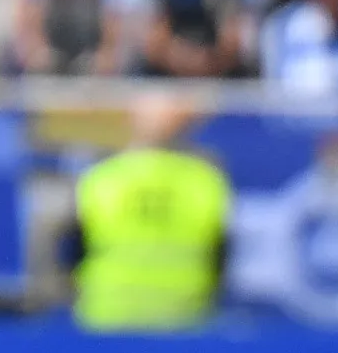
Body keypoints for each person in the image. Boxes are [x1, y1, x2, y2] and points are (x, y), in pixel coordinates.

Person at [68, 93, 233, 332]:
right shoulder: (206, 179)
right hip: (184, 315)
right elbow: (221, 255)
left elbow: (72, 249)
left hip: (108, 314)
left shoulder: (101, 177)